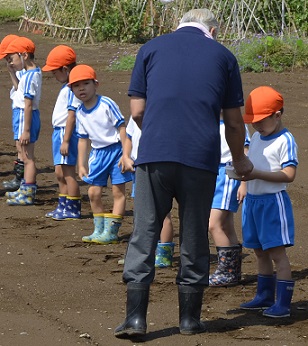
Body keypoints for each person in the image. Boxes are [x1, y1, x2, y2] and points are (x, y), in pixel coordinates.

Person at [115, 8, 253, 338]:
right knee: (193, 236)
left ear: (178, 25)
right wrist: (240, 160)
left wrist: (161, 136)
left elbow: (137, 111)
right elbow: (234, 122)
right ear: (214, 31)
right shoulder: (224, 56)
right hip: (200, 158)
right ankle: (189, 320)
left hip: (154, 155)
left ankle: (135, 319)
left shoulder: (149, 48)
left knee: (145, 232)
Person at [239, 86, 298, 318]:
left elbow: (289, 175)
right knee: (259, 252)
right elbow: (251, 165)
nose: (256, 125)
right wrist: (244, 181)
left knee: (277, 253)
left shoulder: (286, 139)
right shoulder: (255, 137)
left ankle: (283, 304)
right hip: (253, 201)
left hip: (273, 203)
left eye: (261, 120)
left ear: (278, 114)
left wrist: (255, 175)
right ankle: (264, 296)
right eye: (253, 121)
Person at [68, 64, 132, 244]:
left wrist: (125, 154)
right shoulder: (79, 112)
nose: (81, 88)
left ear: (95, 84)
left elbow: (122, 128)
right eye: (76, 85)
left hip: (117, 150)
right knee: (93, 193)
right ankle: (99, 229)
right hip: (97, 154)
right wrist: (81, 164)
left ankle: (112, 231)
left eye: (86, 83)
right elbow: (82, 139)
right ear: (71, 89)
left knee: (118, 192)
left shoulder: (107, 104)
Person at [120, 115, 175, 268]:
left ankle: (164, 253)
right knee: (142, 213)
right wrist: (125, 156)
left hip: (157, 165)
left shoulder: (164, 110)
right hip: (138, 166)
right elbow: (129, 137)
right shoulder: (136, 113)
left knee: (163, 213)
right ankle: (146, 253)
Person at [208, 118, 250, 286]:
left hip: (228, 173)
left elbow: (246, 152)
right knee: (225, 224)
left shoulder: (236, 123)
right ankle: (233, 272)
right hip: (212, 173)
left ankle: (226, 270)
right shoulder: (207, 119)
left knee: (213, 224)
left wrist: (244, 182)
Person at [42, 45, 82, 220]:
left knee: (67, 172)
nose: (53, 75)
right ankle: (63, 204)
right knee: (60, 172)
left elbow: (72, 115)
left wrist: (66, 140)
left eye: (54, 72)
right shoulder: (67, 87)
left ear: (65, 69)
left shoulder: (73, 88)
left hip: (65, 132)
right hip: (59, 132)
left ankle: (72, 207)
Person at [3, 36, 42, 206]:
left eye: (12, 58)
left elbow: (27, 104)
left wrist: (25, 130)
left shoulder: (30, 76)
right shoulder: (31, 73)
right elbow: (19, 90)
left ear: (24, 55)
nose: (11, 62)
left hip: (24, 116)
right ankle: (25, 188)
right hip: (24, 115)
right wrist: (12, 72)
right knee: (24, 153)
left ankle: (28, 191)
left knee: (27, 157)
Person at [0, 34, 25, 191]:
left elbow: (22, 94)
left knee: (21, 147)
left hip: (22, 112)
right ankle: (19, 178)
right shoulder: (19, 70)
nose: (7, 61)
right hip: (18, 111)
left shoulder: (24, 72)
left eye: (9, 57)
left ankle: (21, 180)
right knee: (18, 146)